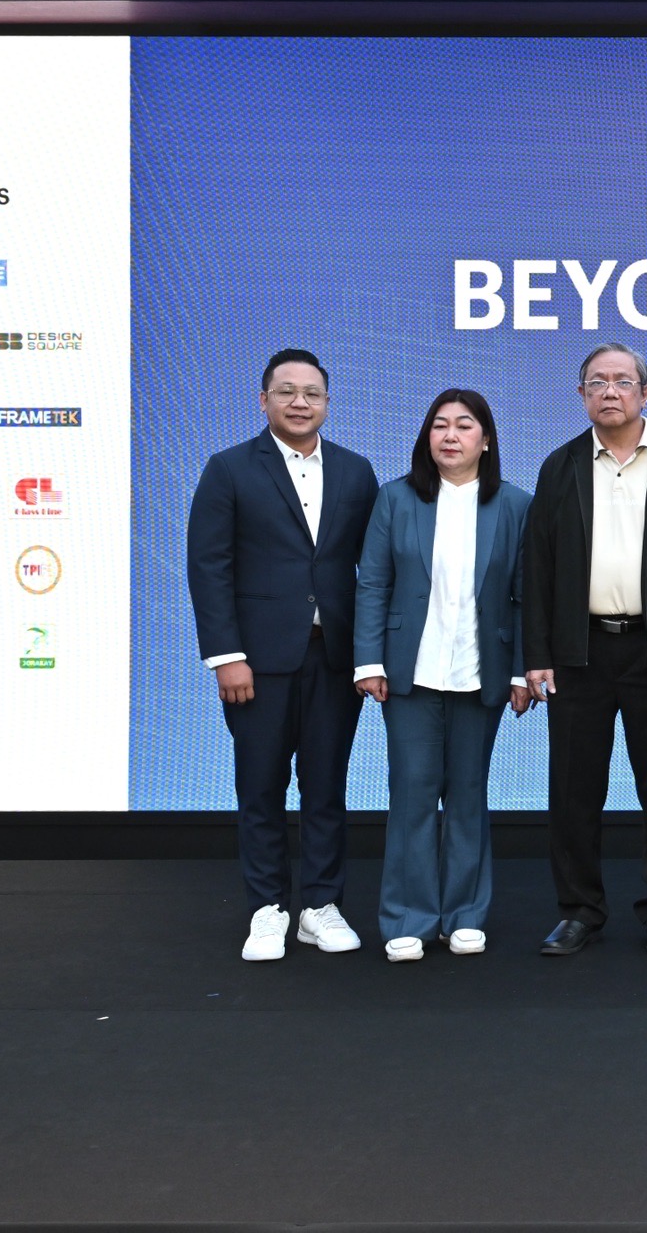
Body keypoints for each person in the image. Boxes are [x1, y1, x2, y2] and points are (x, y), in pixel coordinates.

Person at [520, 343, 647, 956]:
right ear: (581, 394)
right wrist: (536, 653)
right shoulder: (560, 467)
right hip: (577, 652)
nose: (610, 391)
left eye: (623, 381)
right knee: (574, 789)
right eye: (597, 382)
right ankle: (579, 910)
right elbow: (537, 567)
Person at [187, 348, 381, 962]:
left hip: (335, 659)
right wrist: (226, 655)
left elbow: (372, 569)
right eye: (287, 391)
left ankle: (320, 907)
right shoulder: (229, 468)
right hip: (256, 664)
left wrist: (370, 655)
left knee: (326, 788)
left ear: (327, 402)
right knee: (261, 787)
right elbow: (209, 567)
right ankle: (267, 909)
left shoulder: (356, 471)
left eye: (312, 393)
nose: (300, 402)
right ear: (264, 399)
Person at [351, 389, 533, 962]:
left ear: (487, 439)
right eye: (439, 425)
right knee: (411, 793)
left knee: (468, 794)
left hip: (483, 673)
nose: (450, 436)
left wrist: (522, 672)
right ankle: (409, 917)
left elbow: (526, 596)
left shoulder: (515, 505)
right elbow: (372, 582)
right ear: (426, 437)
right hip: (410, 673)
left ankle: (464, 915)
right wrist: (368, 660)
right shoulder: (395, 498)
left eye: (464, 425)